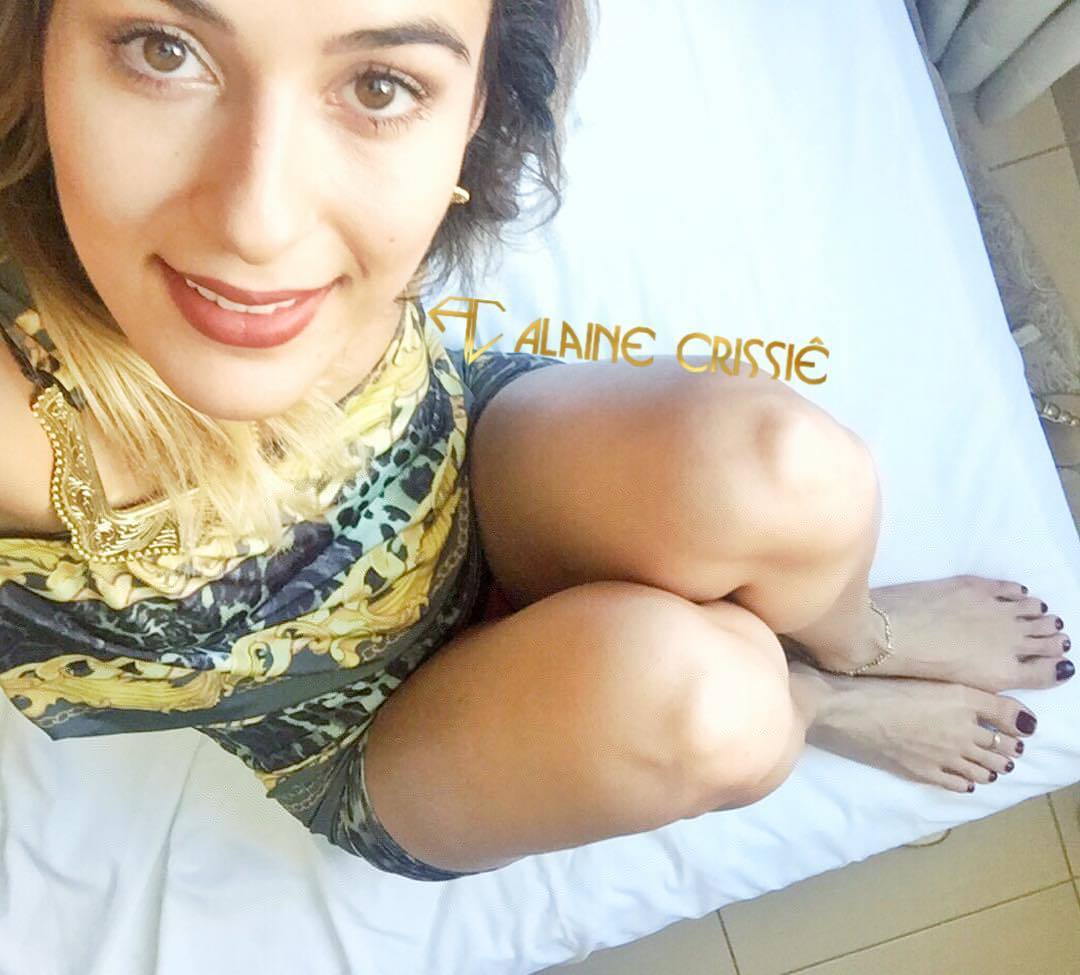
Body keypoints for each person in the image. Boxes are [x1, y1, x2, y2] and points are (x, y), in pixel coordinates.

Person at [0, 0, 1071, 884]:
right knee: (719, 709)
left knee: (793, 474)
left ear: (473, 107)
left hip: (458, 463)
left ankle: (853, 637)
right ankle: (820, 699)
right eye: (163, 49)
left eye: (381, 85)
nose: (258, 222)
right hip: (352, 729)